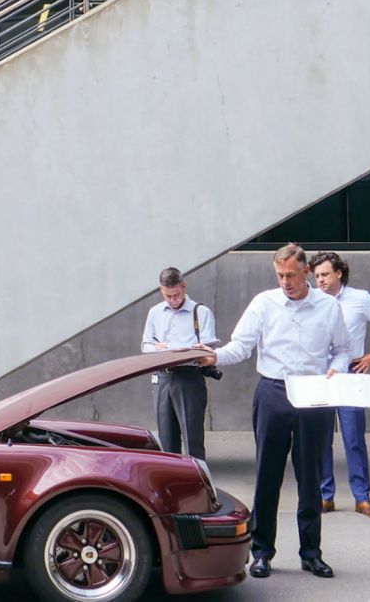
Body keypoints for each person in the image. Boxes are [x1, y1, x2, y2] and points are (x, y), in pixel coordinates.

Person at [197, 243, 351, 580]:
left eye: (291, 275)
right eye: (280, 275)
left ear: (306, 272)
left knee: (310, 476)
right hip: (273, 391)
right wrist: (214, 357)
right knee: (267, 475)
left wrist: (337, 369)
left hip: (314, 393)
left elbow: (342, 351)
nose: (285, 281)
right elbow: (241, 345)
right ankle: (262, 552)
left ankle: (311, 553)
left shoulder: (328, 307)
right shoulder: (263, 304)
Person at [310, 251, 370, 519]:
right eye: (316, 276)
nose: (320, 280)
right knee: (320, 439)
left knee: (354, 438)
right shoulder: (312, 301)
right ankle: (325, 496)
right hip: (320, 374)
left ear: (339, 273)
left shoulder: (360, 299)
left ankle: (362, 498)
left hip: (350, 373)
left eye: (324, 274)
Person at [141, 266, 218, 458]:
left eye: (176, 294)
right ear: (161, 291)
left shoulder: (201, 312)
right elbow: (145, 345)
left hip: (189, 376)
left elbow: (209, 347)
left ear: (184, 287)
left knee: (193, 438)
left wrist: (183, 350)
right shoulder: (155, 312)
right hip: (162, 377)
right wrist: (158, 349)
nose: (173, 300)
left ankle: (197, 482)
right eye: (168, 296)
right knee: (166, 440)